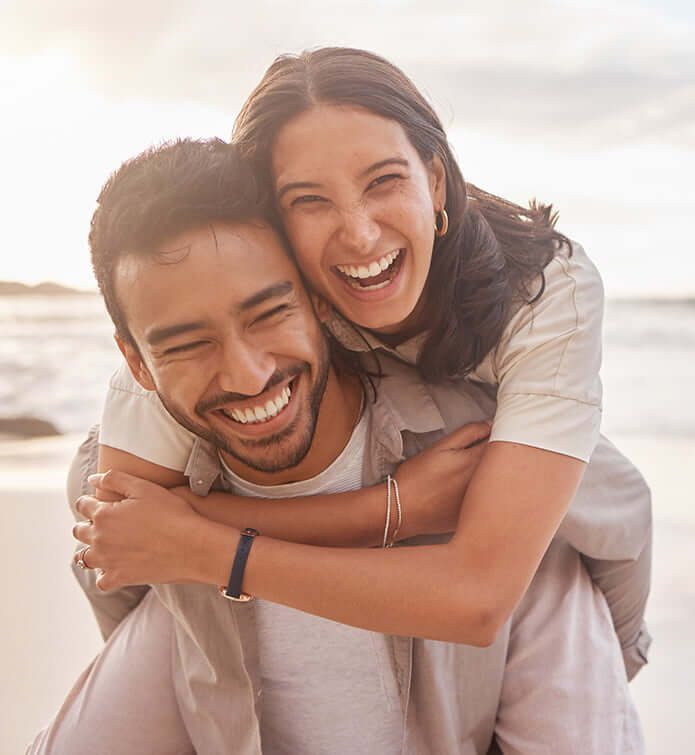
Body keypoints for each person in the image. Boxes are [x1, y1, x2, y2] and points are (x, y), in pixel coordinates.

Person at [31, 138, 643, 754]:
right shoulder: (145, 507)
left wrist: (380, 511)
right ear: (136, 363)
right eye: (186, 345)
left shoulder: (487, 476)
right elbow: (121, 578)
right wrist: (386, 511)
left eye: (268, 313)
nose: (246, 376)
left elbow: (615, 536)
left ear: (322, 300)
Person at [82, 47, 652, 676]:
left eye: (384, 182)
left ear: (434, 181)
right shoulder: (237, 314)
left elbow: (478, 597)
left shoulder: (547, 289)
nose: (358, 235)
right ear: (270, 221)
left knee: (592, 504)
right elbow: (125, 525)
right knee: (91, 469)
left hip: (543, 487)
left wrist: (213, 549)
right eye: (309, 200)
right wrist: (385, 508)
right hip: (387, 478)